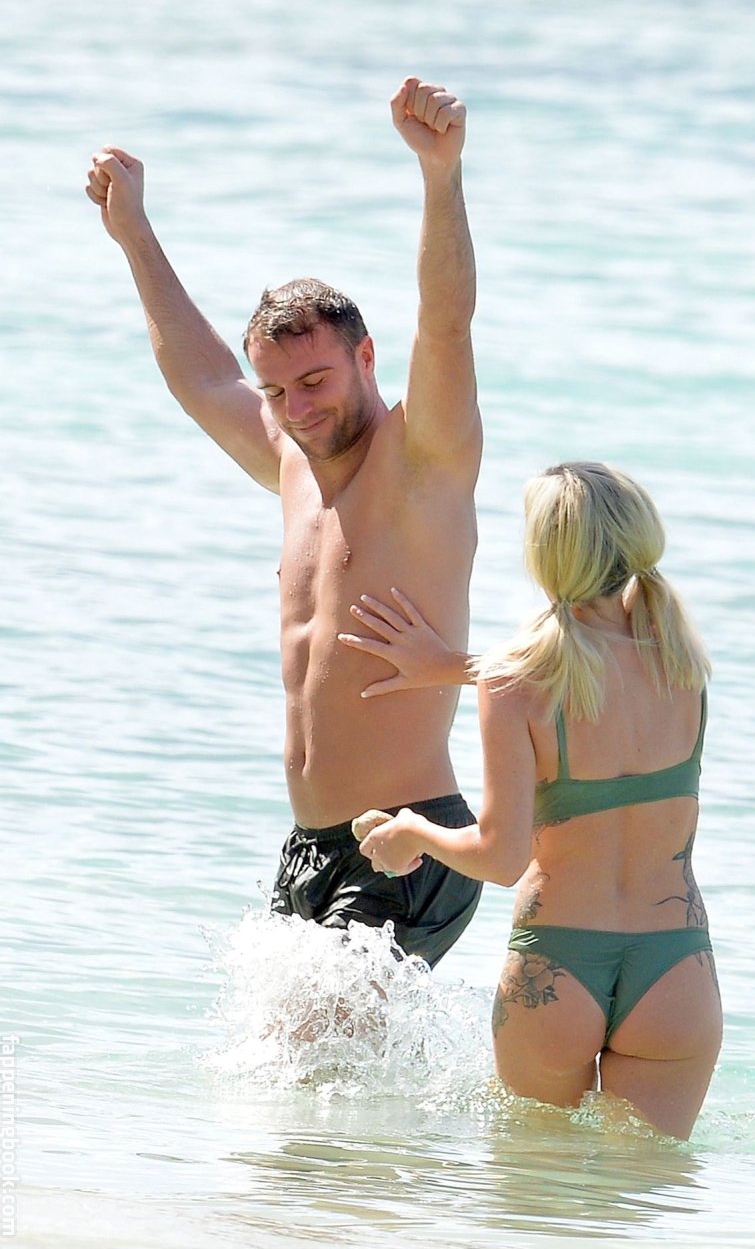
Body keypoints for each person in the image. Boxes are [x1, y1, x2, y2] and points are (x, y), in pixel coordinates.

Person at [85, 77, 483, 967]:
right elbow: (202, 377)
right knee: (289, 1058)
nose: (295, 408)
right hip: (309, 849)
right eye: (276, 391)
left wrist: (440, 174)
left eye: (314, 381)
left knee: (306, 1039)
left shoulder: (423, 461)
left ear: (364, 356)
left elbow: (447, 324)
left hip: (406, 840)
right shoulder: (295, 466)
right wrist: (133, 233)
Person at [346, 462, 722, 1139]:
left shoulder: (512, 684)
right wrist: (456, 667)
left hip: (557, 969)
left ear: (544, 553)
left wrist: (411, 832)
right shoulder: (684, 664)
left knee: (533, 1185)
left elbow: (500, 858)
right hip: (676, 973)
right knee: (645, 1188)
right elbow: (598, 673)